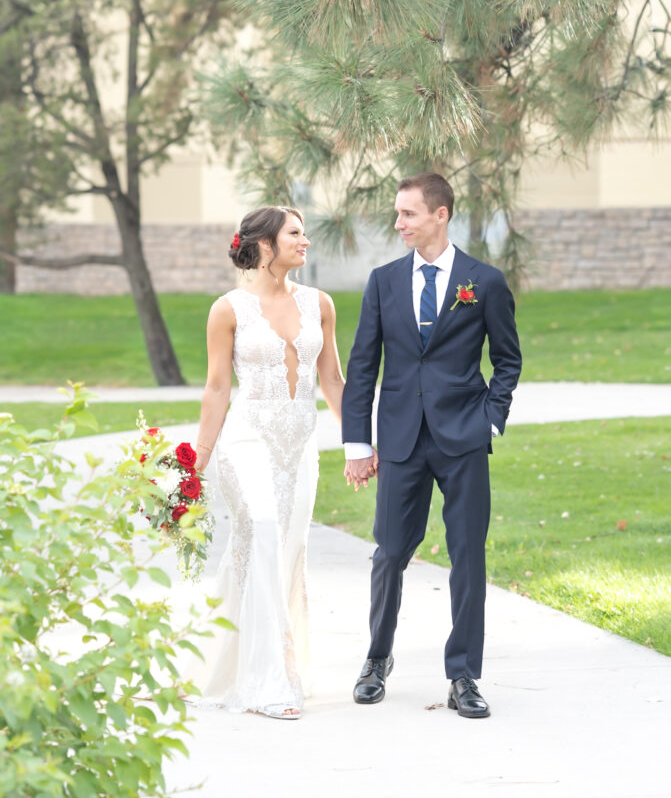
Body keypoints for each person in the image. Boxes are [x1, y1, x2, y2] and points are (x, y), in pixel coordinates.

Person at [342, 173, 522, 718]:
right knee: (390, 552)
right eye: (398, 213)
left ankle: (463, 675)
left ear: (440, 215)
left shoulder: (483, 282)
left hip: (463, 437)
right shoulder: (383, 281)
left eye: (408, 214)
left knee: (467, 555)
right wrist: (357, 443)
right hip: (400, 439)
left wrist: (490, 420)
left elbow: (507, 360)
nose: (398, 223)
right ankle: (377, 658)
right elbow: (363, 366)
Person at [191, 205, 345, 719]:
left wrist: (360, 444)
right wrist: (196, 463)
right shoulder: (228, 309)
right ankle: (270, 682)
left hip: (299, 448)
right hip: (247, 440)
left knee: (286, 549)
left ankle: (242, 661)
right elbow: (217, 387)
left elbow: (333, 380)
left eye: (304, 233)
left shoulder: (320, 303)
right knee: (260, 530)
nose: (305, 241)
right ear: (263, 245)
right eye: (295, 233)